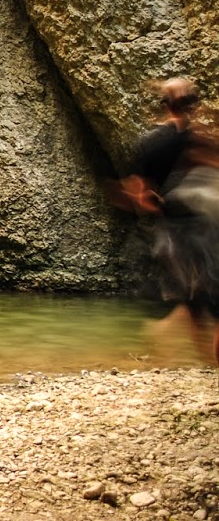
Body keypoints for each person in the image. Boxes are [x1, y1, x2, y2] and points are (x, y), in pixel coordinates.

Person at [112, 77, 219, 364]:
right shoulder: (199, 140)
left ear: (165, 105)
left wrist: (159, 207)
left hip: (171, 233)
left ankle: (200, 358)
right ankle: (206, 360)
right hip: (205, 230)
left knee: (193, 300)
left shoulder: (150, 143)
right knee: (206, 297)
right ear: (193, 106)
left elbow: (140, 195)